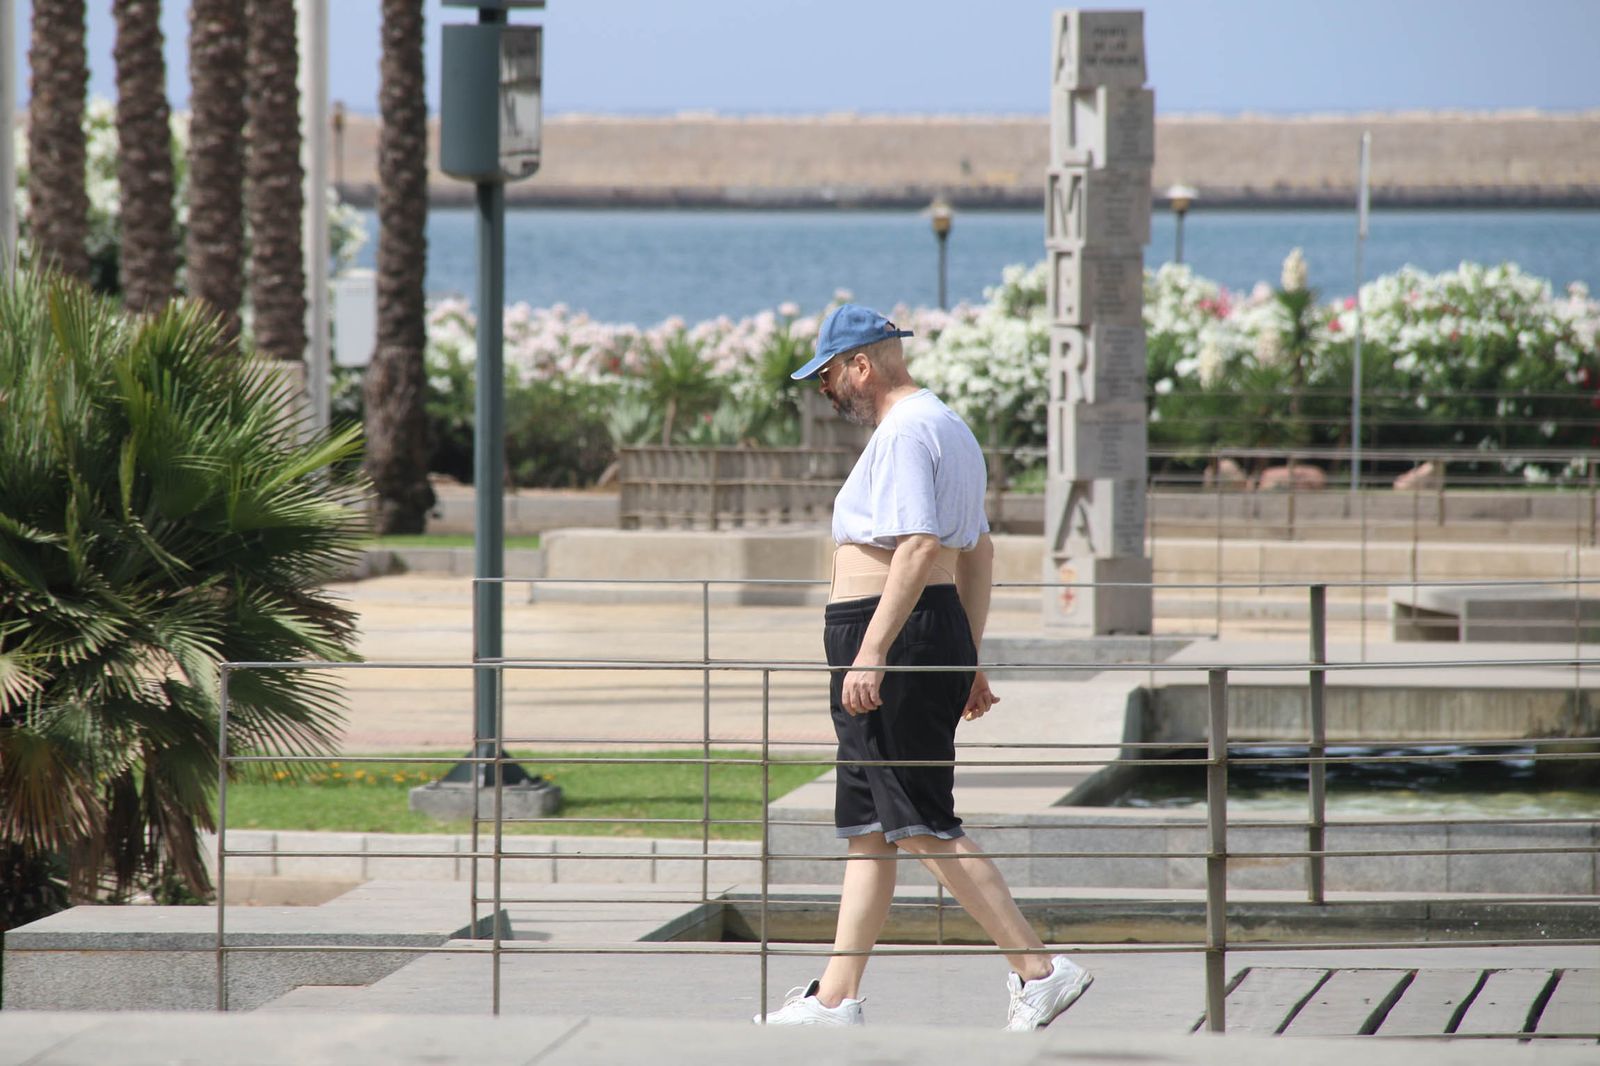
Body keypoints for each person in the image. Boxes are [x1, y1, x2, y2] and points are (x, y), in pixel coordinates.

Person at [753, 304, 1092, 1031]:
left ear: (862, 366)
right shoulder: (947, 426)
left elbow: (916, 547)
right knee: (873, 826)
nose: (825, 390)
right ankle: (835, 1001)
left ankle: (1038, 969)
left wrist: (872, 650)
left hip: (891, 636)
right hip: (921, 632)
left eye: (829, 375)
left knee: (918, 821)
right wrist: (965, 656)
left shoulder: (906, 431)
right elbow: (979, 552)